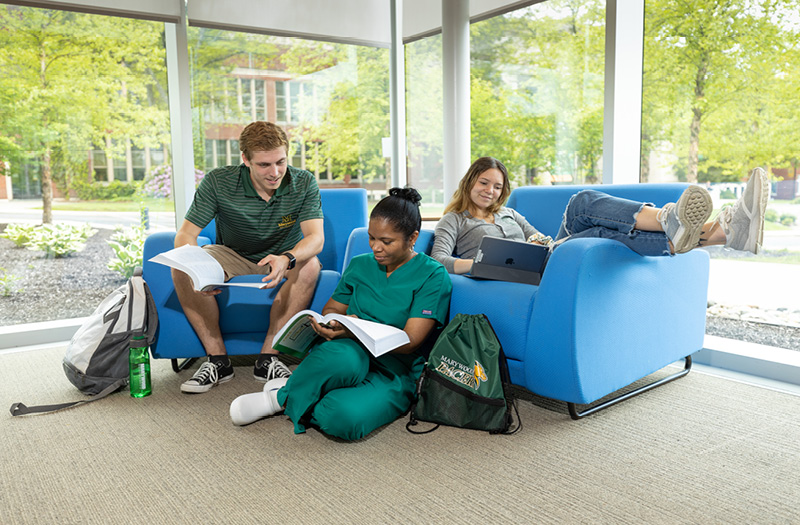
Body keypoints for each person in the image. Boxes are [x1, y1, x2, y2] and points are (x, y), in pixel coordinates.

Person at [228, 188, 453, 441]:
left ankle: (298, 390)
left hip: (395, 369)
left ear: (412, 238)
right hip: (349, 352)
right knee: (342, 359)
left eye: (386, 241)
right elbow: (332, 308)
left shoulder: (432, 275)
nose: (376, 247)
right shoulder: (360, 264)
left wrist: (357, 331)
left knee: (342, 419)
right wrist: (335, 323)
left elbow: (411, 340)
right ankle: (278, 399)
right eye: (371, 238)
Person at [174, 121, 324, 394]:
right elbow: (185, 235)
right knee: (182, 267)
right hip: (231, 254)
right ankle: (218, 361)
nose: (275, 172)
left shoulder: (303, 182)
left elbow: (316, 238)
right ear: (245, 160)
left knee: (311, 265)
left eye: (281, 162)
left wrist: (287, 257)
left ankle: (268, 359)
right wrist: (197, 271)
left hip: (281, 256)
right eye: (264, 165)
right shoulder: (218, 181)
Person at [432, 156, 770, 275]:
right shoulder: (455, 220)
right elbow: (439, 261)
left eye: (496, 186)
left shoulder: (509, 214)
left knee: (583, 202)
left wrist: (535, 240)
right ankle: (720, 231)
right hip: (533, 270)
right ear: (470, 182)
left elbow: (541, 238)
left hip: (547, 253)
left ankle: (718, 232)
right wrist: (478, 265)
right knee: (603, 233)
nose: (490, 191)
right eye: (483, 183)